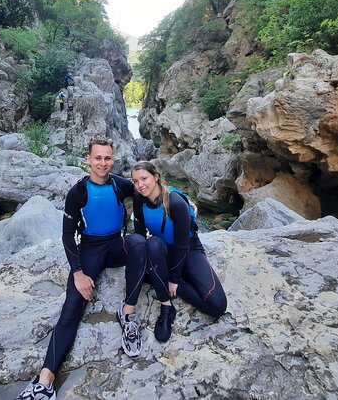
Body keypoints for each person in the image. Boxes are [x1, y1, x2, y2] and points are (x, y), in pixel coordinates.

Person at [16, 136, 147, 400]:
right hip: (89, 250)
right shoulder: (78, 193)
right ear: (88, 159)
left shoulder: (121, 185)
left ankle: (127, 314)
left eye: (107, 158)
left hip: (115, 245)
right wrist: (78, 273)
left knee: (139, 243)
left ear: (113, 159)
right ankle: (45, 382)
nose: (103, 163)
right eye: (97, 158)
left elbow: (148, 191)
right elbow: (67, 236)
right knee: (73, 305)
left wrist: (178, 202)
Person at [130, 161, 227, 342]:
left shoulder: (174, 202)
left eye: (144, 178)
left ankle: (172, 280)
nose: (140, 185)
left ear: (156, 177)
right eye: (135, 181)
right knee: (149, 246)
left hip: (188, 249)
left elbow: (182, 245)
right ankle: (167, 307)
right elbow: (140, 234)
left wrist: (174, 280)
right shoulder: (138, 198)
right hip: (164, 250)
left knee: (217, 306)